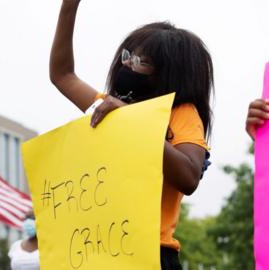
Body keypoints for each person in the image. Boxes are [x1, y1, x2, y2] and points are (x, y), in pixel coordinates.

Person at [49, 1, 214, 269]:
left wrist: (130, 119)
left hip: (151, 253)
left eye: (141, 62)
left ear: (168, 73)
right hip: (100, 249)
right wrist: (69, 7)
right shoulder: (110, 108)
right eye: (128, 56)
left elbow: (189, 176)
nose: (128, 64)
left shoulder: (181, 113)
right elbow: (62, 75)